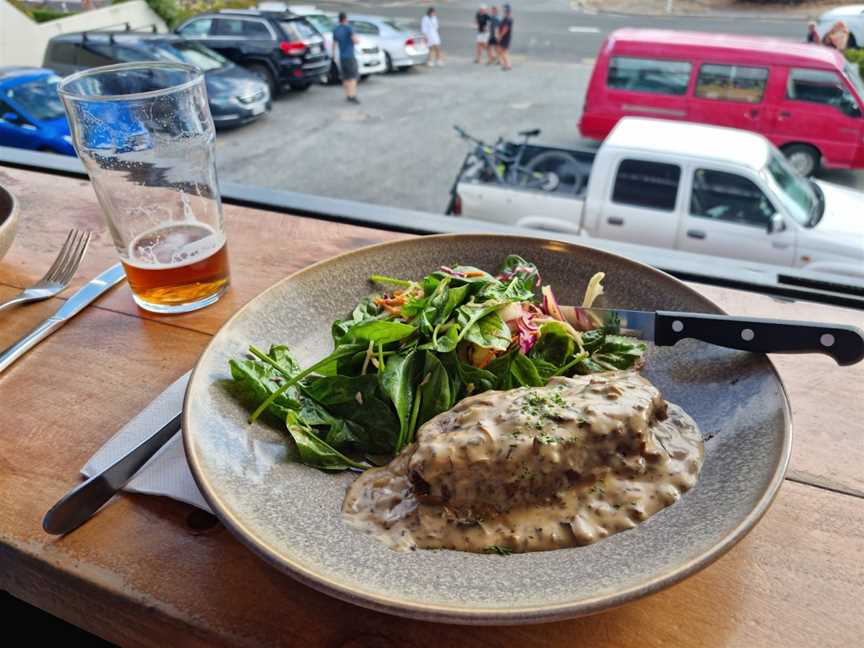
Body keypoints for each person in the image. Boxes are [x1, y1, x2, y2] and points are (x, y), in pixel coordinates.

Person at [332, 12, 360, 103]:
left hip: (342, 57)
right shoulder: (349, 28)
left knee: (345, 77)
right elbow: (355, 41)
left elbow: (334, 44)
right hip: (350, 56)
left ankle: (347, 95)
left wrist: (334, 56)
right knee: (353, 77)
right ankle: (353, 95)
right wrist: (357, 40)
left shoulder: (336, 29)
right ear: (345, 19)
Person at [497, 4, 513, 71]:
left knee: (502, 51)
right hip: (505, 37)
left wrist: (500, 36)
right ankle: (507, 65)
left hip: (505, 37)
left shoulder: (508, 19)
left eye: (504, 9)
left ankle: (507, 65)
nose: (503, 10)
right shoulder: (506, 18)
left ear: (507, 10)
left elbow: (505, 29)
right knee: (502, 51)